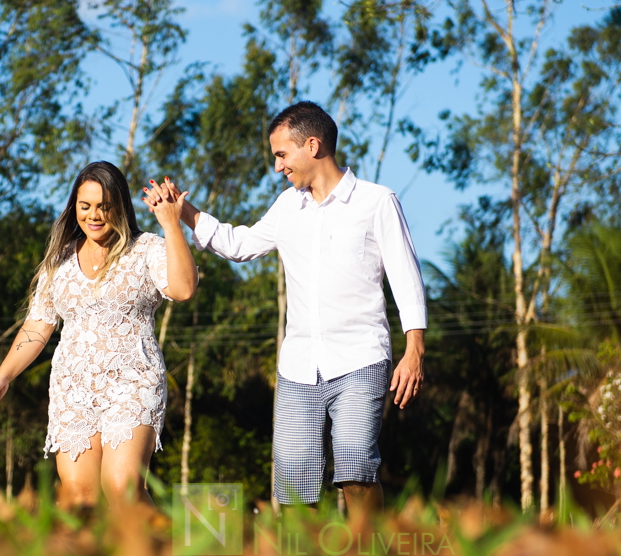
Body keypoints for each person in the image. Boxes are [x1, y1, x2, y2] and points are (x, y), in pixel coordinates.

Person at [148, 101, 426, 517]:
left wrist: (414, 351)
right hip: (297, 369)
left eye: (282, 155)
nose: (278, 167)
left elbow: (406, 278)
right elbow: (237, 244)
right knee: (295, 490)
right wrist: (182, 209)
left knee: (355, 472)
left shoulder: (376, 201)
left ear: (312, 145)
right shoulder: (287, 207)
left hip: (360, 358)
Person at [0, 161, 196, 509]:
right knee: (81, 497)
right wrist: (3, 376)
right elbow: (38, 325)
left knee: (122, 487)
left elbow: (184, 288)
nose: (94, 215)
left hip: (133, 381)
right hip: (73, 388)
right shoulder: (60, 261)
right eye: (85, 206)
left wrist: (171, 225)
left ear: (120, 206)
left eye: (104, 206)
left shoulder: (147, 249)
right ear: (74, 207)